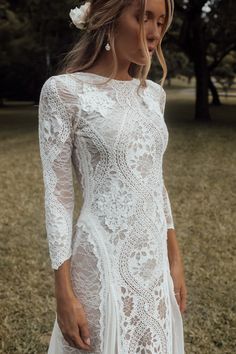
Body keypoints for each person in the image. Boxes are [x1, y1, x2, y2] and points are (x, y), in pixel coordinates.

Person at [38, 0, 187, 353]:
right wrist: (64, 292)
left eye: (161, 21)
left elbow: (155, 182)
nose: (154, 31)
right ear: (109, 19)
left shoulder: (154, 96)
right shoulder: (64, 92)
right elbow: (58, 197)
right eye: (143, 17)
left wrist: (174, 261)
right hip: (101, 257)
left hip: (152, 260)